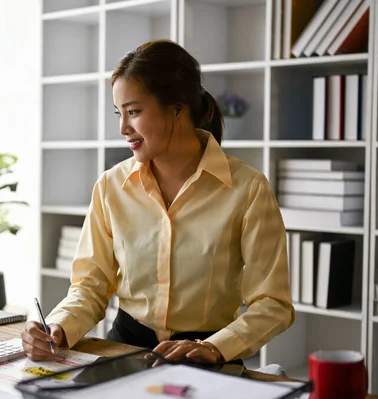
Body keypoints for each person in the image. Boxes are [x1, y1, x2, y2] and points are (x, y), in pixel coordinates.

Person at [21, 39, 295, 366]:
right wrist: (58, 327)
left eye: (134, 112)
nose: (123, 128)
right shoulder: (111, 186)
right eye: (119, 113)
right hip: (124, 351)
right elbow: (90, 287)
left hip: (207, 358)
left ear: (177, 109)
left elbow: (273, 303)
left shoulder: (248, 189)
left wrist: (216, 347)